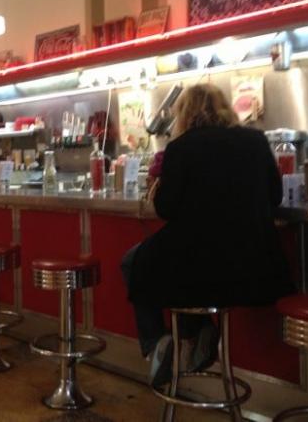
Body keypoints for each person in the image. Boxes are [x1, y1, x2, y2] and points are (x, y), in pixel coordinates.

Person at [121, 83, 294, 387]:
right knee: (183, 268)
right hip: (255, 266)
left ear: (184, 114)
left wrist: (159, 188)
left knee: (134, 261)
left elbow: (166, 208)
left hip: (196, 266)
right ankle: (199, 329)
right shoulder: (255, 141)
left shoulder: (181, 147)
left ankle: (158, 342)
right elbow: (276, 196)